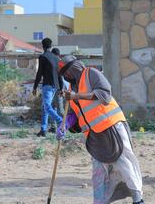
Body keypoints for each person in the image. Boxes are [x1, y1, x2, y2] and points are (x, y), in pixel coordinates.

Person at [57, 55, 144, 204]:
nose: (66, 76)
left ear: (74, 67)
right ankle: (100, 201)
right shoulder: (71, 89)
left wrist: (76, 96)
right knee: (99, 171)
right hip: (94, 135)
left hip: (112, 127)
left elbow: (104, 95)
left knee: (123, 162)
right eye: (64, 74)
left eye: (67, 71)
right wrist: (64, 125)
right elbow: (74, 114)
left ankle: (138, 199)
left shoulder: (91, 74)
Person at [32, 38, 63, 137]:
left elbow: (39, 73)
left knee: (47, 106)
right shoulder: (56, 58)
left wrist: (35, 87)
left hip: (48, 85)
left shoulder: (43, 57)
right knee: (44, 107)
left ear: (43, 46)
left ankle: (60, 120)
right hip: (55, 86)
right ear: (51, 46)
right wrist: (61, 88)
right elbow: (59, 74)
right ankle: (43, 130)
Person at [48, 47, 65, 133]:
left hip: (58, 88)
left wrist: (61, 89)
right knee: (53, 108)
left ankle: (64, 126)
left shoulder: (58, 63)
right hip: (55, 88)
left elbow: (60, 78)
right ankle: (54, 127)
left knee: (59, 109)